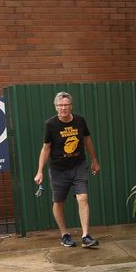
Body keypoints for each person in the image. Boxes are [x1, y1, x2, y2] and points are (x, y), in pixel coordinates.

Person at [34, 91, 101, 248]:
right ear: (56, 107)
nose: (63, 108)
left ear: (71, 106)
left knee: (82, 197)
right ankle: (64, 234)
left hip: (78, 165)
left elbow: (87, 141)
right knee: (58, 201)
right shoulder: (50, 124)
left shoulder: (79, 120)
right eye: (60, 105)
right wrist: (39, 171)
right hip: (58, 169)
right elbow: (46, 149)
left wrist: (94, 160)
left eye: (66, 105)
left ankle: (85, 236)